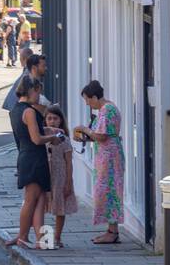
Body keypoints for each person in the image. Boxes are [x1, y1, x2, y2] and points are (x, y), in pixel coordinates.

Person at [8, 76, 58, 249]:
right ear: (31, 90)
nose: (39, 96)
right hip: (34, 158)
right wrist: (53, 137)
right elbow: (36, 139)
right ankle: (22, 236)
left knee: (40, 199)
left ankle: (41, 240)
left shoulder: (15, 110)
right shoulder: (29, 111)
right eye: (38, 91)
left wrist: (47, 129)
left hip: (26, 155)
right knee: (31, 199)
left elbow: (27, 133)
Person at [73, 80, 125, 244]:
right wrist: (85, 136)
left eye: (88, 100)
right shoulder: (107, 108)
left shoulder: (106, 110)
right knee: (108, 193)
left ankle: (112, 232)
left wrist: (84, 128)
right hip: (107, 156)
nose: (87, 104)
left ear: (95, 97)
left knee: (108, 192)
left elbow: (101, 136)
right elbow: (102, 135)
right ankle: (111, 230)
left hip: (109, 158)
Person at [43, 103, 78, 248]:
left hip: (60, 176)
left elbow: (69, 162)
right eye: (49, 118)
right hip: (45, 174)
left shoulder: (65, 140)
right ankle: (44, 237)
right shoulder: (42, 137)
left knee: (59, 207)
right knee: (43, 205)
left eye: (55, 118)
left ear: (61, 121)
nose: (52, 121)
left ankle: (57, 238)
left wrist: (69, 182)